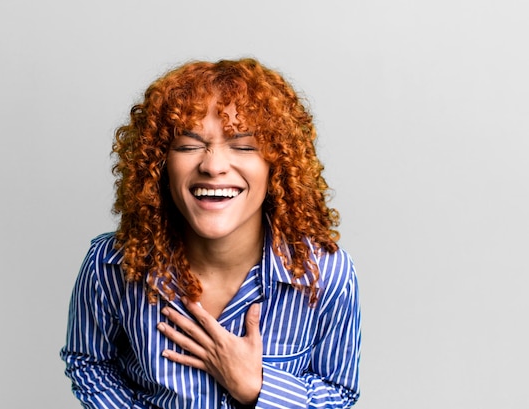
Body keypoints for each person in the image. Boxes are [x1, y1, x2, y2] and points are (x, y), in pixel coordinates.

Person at [60, 58, 361, 409]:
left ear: (276, 166)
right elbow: (90, 363)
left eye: (244, 146)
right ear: (159, 165)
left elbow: (339, 394)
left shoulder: (327, 275)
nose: (213, 166)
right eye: (189, 146)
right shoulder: (112, 264)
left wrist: (255, 387)